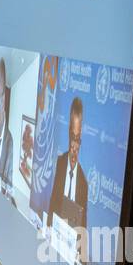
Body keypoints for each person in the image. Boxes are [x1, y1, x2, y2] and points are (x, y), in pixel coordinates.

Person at [46, 95, 89, 250]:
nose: (73, 144)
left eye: (77, 138)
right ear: (68, 132)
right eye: (72, 136)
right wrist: (48, 229)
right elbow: (53, 200)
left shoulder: (83, 183)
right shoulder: (61, 162)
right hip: (53, 243)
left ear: (81, 138)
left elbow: (83, 228)